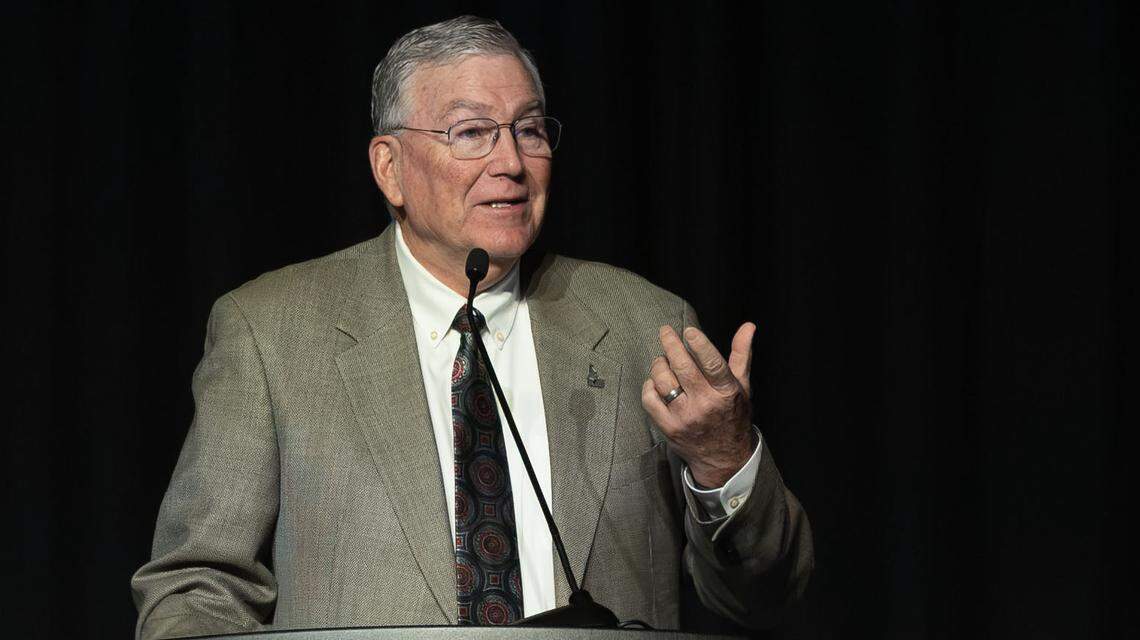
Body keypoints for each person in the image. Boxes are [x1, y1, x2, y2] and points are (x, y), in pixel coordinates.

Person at [131, 15, 813, 640]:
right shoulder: (271, 332)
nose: (511, 163)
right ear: (389, 168)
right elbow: (197, 586)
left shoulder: (645, 326)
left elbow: (764, 594)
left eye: (530, 128)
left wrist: (723, 461)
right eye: (471, 132)